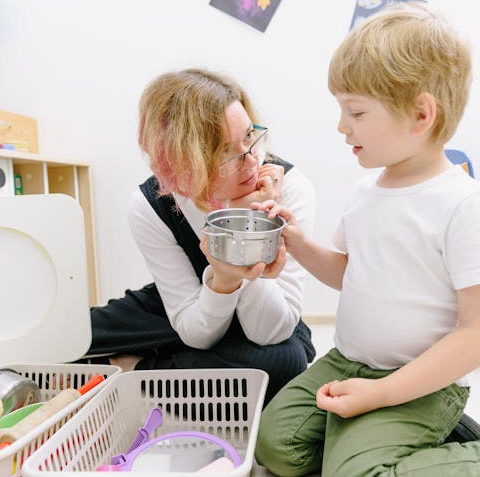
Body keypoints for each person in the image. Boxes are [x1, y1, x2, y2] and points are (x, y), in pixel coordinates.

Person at [253, 4, 480, 476]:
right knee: (275, 445)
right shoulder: (365, 193)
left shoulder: (465, 204)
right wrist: (298, 242)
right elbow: (350, 273)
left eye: (356, 111)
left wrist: (384, 395)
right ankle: (411, 443)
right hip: (347, 362)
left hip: (422, 382)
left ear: (421, 115)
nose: (341, 126)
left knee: (356, 474)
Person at [83, 68, 316, 404]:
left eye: (250, 136)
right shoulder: (151, 205)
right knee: (74, 339)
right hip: (187, 298)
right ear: (180, 164)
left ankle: (133, 372)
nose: (252, 161)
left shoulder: (289, 188)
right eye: (225, 153)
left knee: (281, 362)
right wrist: (220, 280)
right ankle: (146, 365)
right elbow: (195, 332)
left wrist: (248, 226)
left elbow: (266, 332)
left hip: (261, 305)